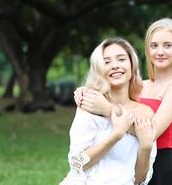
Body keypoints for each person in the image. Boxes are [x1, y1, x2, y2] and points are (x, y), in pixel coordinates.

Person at [74, 18, 172, 185]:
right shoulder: (140, 86)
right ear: (147, 49)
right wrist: (84, 92)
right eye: (154, 46)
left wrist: (108, 110)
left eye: (167, 45)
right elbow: (119, 99)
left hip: (163, 168)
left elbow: (150, 133)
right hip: (132, 164)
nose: (160, 52)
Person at [60, 38, 157, 185]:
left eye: (121, 59)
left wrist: (146, 146)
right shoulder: (90, 104)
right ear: (99, 69)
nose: (115, 66)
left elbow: (138, 180)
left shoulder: (145, 113)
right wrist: (116, 135)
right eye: (107, 62)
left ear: (132, 65)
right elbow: (77, 163)